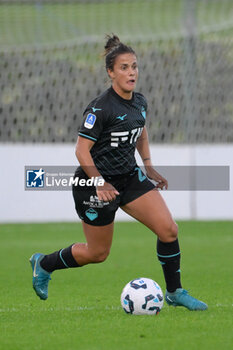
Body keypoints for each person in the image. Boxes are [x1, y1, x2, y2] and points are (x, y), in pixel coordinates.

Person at [30, 34, 207, 311]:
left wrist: (148, 165)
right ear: (111, 72)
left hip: (128, 177)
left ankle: (174, 292)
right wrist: (99, 182)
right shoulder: (100, 108)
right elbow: (81, 150)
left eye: (134, 66)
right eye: (124, 67)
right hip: (93, 183)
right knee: (97, 253)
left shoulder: (140, 102)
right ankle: (44, 263)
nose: (131, 72)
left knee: (169, 230)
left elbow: (141, 130)